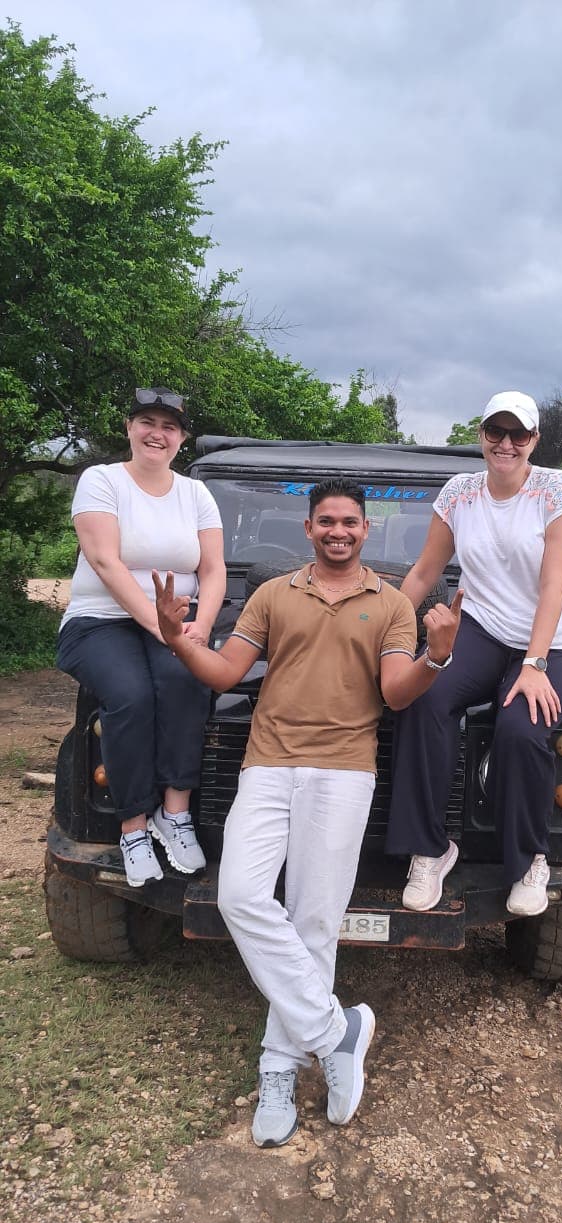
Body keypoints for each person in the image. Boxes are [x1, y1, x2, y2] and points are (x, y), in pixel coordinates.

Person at [153, 478, 462, 1148]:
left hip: (344, 771)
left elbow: (396, 693)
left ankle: (278, 1070)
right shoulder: (272, 595)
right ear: (309, 528)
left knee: (314, 920)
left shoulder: (390, 604)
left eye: (350, 522)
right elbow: (227, 673)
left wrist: (436, 656)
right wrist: (178, 639)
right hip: (267, 764)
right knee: (239, 895)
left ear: (365, 530)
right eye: (327, 521)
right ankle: (334, 1033)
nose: (339, 532)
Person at [385, 391, 562, 917]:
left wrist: (534, 663)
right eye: (495, 433)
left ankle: (529, 861)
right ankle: (431, 849)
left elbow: (554, 584)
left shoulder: (556, 489)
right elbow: (423, 573)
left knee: (522, 727)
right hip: (482, 628)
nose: (505, 444)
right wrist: (371, 631)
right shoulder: (460, 492)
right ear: (481, 435)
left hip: (560, 640)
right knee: (423, 700)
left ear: (534, 440)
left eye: (517, 434)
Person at [56, 387, 226, 888]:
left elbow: (213, 569)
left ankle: (174, 814)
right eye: (147, 422)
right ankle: (132, 824)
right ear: (130, 429)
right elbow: (106, 561)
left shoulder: (195, 493)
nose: (158, 433)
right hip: (99, 619)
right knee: (128, 695)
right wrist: (162, 627)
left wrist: (200, 626)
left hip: (178, 617)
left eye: (169, 426)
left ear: (182, 439)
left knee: (187, 682)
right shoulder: (101, 481)